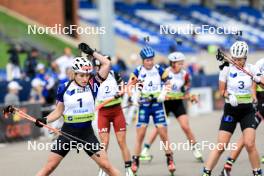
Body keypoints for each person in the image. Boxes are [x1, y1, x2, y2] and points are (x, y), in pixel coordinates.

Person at [34, 44, 120, 176]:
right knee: (49, 168)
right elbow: (58, 112)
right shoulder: (63, 87)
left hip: (87, 134)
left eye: (87, 75)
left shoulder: (93, 84)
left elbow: (106, 63)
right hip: (68, 133)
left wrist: (92, 52)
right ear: (74, 74)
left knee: (106, 166)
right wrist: (44, 120)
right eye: (81, 75)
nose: (85, 78)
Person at [202, 41, 262, 176]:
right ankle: (206, 173)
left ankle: (257, 173)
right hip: (231, 109)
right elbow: (221, 91)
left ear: (245, 58)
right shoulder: (226, 68)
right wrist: (229, 96)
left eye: (239, 59)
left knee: (249, 144)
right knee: (221, 145)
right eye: (234, 58)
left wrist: (259, 80)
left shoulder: (252, 69)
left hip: (247, 110)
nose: (236, 61)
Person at [140, 52, 203, 162]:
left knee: (185, 127)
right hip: (165, 103)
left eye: (182, 63)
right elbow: (158, 88)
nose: (181, 65)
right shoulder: (164, 72)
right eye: (179, 63)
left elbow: (185, 91)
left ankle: (195, 149)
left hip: (177, 103)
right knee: (159, 128)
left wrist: (191, 97)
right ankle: (145, 149)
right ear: (173, 63)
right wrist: (162, 95)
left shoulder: (185, 74)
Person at [129, 46, 175, 175]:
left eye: (151, 60)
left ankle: (170, 159)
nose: (150, 62)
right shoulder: (137, 71)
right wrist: (134, 97)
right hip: (144, 105)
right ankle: (135, 161)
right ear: (142, 60)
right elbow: (130, 86)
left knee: (162, 132)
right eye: (147, 60)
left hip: (157, 104)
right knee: (141, 133)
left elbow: (168, 83)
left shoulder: (159, 69)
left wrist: (163, 93)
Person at [219, 57, 264, 176]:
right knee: (247, 135)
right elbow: (253, 80)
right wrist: (253, 95)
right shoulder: (260, 63)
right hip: (261, 99)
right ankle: (228, 165)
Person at [95, 57, 134, 176]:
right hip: (103, 113)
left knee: (121, 141)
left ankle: (128, 169)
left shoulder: (114, 74)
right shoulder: (94, 79)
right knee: (104, 143)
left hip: (117, 111)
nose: (107, 68)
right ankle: (103, 168)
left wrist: (123, 93)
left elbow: (124, 88)